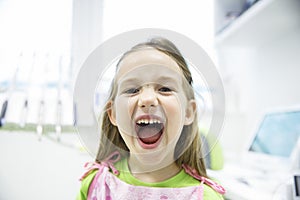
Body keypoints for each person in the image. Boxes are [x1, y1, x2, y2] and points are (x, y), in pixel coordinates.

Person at [77, 37, 225, 199]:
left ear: (188, 112)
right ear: (113, 114)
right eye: (132, 90)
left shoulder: (205, 197)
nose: (147, 99)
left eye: (165, 88)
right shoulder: (96, 185)